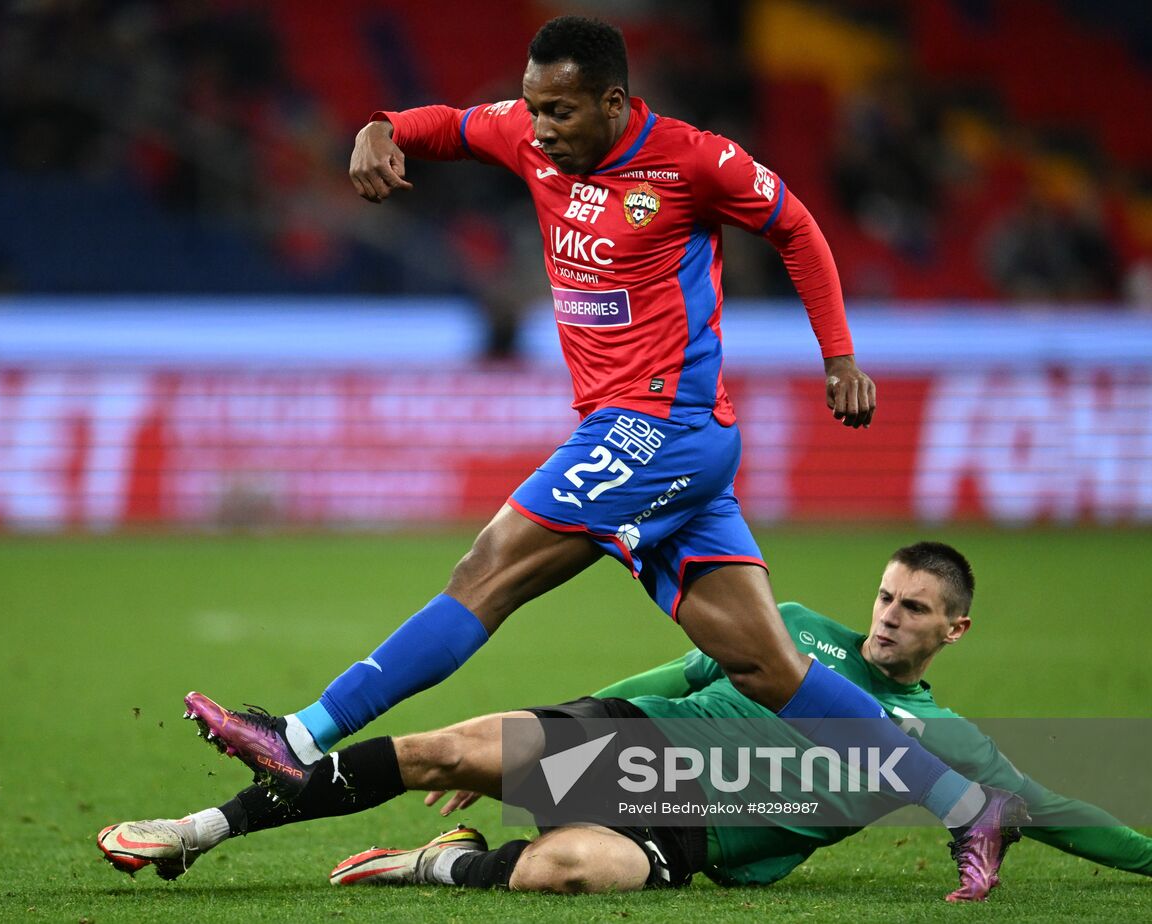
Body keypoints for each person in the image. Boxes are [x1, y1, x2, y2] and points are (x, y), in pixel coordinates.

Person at [188, 15, 1020, 897]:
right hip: (650, 441)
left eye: (561, 112)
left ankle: (304, 734)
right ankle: (970, 805)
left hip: (662, 426)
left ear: (614, 102)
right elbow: (446, 125)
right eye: (535, 109)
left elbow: (799, 230)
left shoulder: (696, 161)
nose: (540, 127)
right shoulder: (529, 135)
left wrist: (839, 355)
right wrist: (380, 126)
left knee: (489, 570)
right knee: (769, 670)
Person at [99, 543, 1151, 902]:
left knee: (570, 872)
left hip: (690, 828)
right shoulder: (793, 633)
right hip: (629, 734)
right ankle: (198, 830)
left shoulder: (948, 742)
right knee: (442, 747)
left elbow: (1056, 811)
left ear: (951, 630)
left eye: (912, 610)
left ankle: (432, 866)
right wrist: (553, 733)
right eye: (883, 598)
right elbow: (680, 664)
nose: (886, 618)